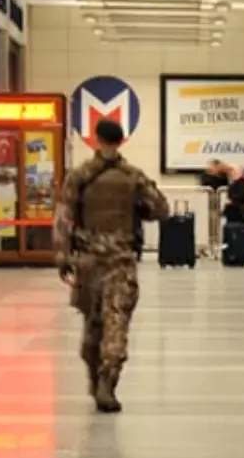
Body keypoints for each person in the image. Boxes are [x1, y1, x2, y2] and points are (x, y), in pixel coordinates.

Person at [54, 120, 168, 413]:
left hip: (89, 263)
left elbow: (64, 217)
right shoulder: (133, 177)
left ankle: (95, 379)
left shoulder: (79, 176)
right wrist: (139, 209)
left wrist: (63, 255)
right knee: (116, 324)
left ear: (96, 139)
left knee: (93, 327)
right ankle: (108, 383)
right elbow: (161, 209)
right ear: (121, 141)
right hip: (121, 263)